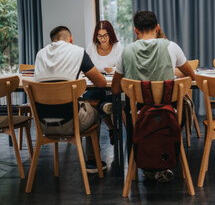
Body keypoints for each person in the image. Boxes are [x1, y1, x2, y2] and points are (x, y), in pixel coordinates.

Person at [111, 10, 195, 182]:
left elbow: (114, 89)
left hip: (139, 115)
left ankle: (148, 162)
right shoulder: (171, 47)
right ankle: (164, 158)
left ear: (136, 30)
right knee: (185, 107)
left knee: (130, 113)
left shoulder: (126, 52)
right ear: (157, 28)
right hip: (169, 112)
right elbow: (191, 76)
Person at [34, 26, 108, 173]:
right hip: (71, 122)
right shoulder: (78, 52)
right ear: (71, 39)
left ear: (52, 41)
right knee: (94, 105)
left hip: (42, 124)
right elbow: (101, 83)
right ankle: (93, 161)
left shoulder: (40, 54)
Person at [84, 20, 123, 145]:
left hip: (113, 85)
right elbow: (86, 66)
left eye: (105, 35)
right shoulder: (91, 47)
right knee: (92, 99)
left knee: (97, 101)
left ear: (110, 34)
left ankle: (104, 110)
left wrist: (114, 69)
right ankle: (112, 128)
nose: (102, 39)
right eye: (100, 36)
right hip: (95, 85)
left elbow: (124, 67)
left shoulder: (117, 47)